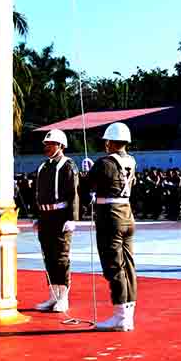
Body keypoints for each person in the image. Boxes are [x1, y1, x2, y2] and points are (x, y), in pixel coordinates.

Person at [89, 122, 137, 331]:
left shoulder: (104, 163)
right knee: (128, 265)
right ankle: (128, 314)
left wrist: (87, 173)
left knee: (114, 265)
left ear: (110, 142)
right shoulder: (132, 161)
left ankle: (120, 316)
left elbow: (86, 186)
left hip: (110, 216)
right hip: (127, 213)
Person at [33, 129, 79, 313]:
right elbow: (38, 194)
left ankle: (63, 297)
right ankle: (53, 295)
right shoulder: (43, 167)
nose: (47, 147)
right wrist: (38, 216)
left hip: (61, 216)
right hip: (46, 217)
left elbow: (74, 193)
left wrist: (72, 218)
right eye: (46, 144)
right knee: (48, 256)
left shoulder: (68, 165)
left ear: (61, 145)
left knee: (61, 257)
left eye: (51, 144)